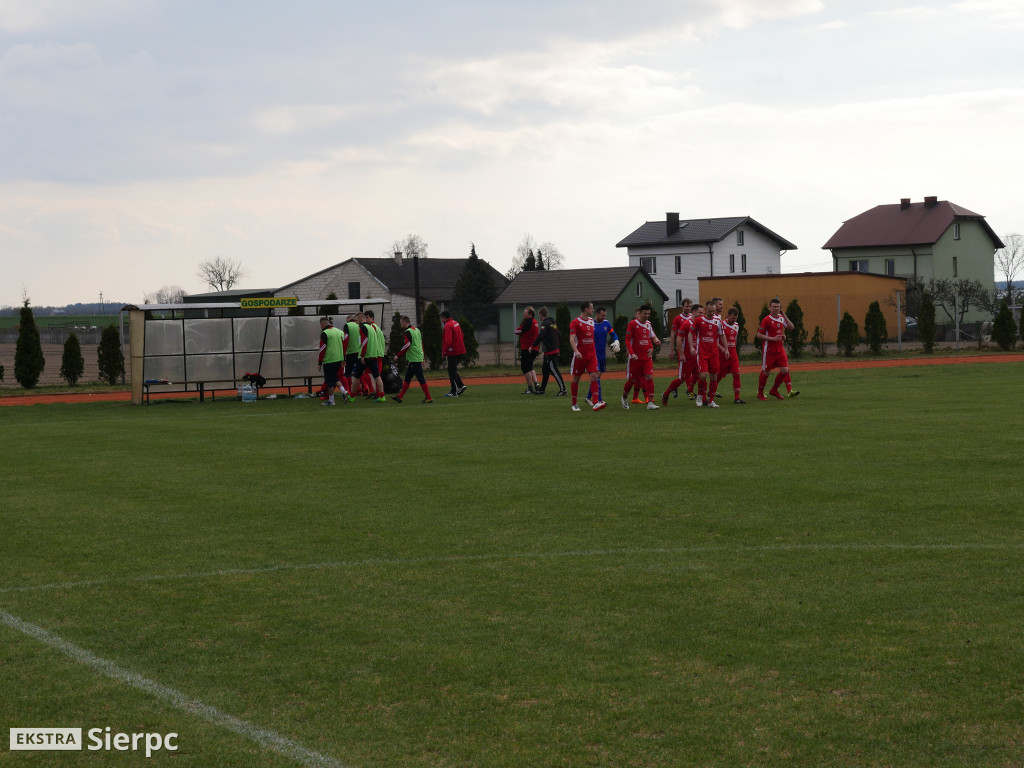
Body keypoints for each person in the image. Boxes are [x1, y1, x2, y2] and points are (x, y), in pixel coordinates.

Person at [756, 298, 800, 400]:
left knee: (785, 370)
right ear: (770, 307)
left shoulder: (781, 317)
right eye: (774, 307)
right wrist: (772, 338)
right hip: (769, 351)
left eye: (778, 307)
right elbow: (759, 335)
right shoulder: (766, 320)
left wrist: (784, 315)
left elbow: (791, 327)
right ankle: (760, 393)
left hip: (780, 349)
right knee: (766, 372)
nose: (776, 308)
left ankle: (774, 390)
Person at [621, 304, 661, 410]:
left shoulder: (648, 324)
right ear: (640, 313)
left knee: (649, 377)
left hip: (646, 357)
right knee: (633, 380)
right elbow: (627, 340)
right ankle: (624, 397)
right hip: (635, 358)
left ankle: (650, 402)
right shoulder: (633, 324)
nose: (647, 316)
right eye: (645, 314)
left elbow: (652, 336)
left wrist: (655, 341)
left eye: (649, 314)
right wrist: (632, 353)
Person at [568, 301, 606, 411]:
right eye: (591, 308)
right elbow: (571, 339)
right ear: (586, 309)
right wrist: (576, 352)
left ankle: (595, 403)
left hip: (592, 355)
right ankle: (574, 404)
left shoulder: (591, 321)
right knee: (576, 379)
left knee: (594, 376)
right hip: (580, 356)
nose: (593, 310)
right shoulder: (575, 323)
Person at [691, 299, 728, 408]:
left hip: (714, 353)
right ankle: (700, 396)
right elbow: (690, 333)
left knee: (714, 377)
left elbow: (722, 335)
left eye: (713, 311)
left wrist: (725, 349)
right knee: (703, 375)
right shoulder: (699, 320)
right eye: (710, 311)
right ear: (706, 309)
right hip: (702, 352)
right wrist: (692, 348)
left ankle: (711, 400)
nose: (712, 313)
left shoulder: (718, 321)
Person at [661, 299, 697, 405]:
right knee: (683, 377)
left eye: (690, 306)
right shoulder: (678, 319)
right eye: (686, 306)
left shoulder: (695, 319)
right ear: (682, 306)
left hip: (694, 352)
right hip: (684, 351)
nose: (688, 308)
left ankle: (690, 391)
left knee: (699, 373)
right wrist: (672, 350)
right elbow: (674, 335)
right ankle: (667, 393)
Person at [390, 315, 432, 404]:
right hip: (417, 357)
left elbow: (407, 344)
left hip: (414, 358)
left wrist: (398, 355)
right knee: (408, 378)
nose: (401, 325)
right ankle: (400, 397)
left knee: (420, 379)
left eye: (401, 323)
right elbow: (421, 344)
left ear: (404, 323)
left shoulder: (408, 331)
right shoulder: (417, 330)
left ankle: (429, 398)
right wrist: (423, 357)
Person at [533, 307, 566, 396]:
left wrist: (533, 345)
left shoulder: (545, 324)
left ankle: (563, 390)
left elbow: (541, 335)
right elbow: (559, 334)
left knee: (554, 370)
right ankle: (542, 390)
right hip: (552, 350)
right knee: (545, 371)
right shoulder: (552, 323)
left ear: (540, 314)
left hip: (550, 351)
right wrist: (559, 346)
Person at [316, 316, 348, 406]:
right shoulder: (339, 332)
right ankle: (343, 391)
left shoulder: (325, 333)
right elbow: (344, 346)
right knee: (334, 377)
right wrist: (344, 358)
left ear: (322, 324)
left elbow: (322, 349)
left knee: (329, 380)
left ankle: (331, 401)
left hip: (329, 360)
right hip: (338, 359)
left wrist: (319, 362)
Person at [591, 306, 619, 404]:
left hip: (602, 355)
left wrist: (616, 340)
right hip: (594, 355)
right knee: (597, 377)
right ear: (597, 314)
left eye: (605, 315)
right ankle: (599, 399)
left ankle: (588, 397)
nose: (604, 317)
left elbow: (613, 334)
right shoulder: (591, 324)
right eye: (602, 315)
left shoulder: (606, 324)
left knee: (597, 377)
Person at [360, 310, 387, 402]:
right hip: (378, 353)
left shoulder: (371, 327)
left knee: (368, 374)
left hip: (374, 354)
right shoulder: (376, 327)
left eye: (367, 317)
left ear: (372, 318)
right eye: (365, 318)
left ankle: (375, 392)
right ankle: (377, 394)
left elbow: (369, 340)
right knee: (376, 375)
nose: (366, 319)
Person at [719, 306, 745, 404]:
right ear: (727, 315)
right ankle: (711, 392)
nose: (734, 320)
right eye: (732, 318)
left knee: (736, 374)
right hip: (722, 355)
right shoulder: (721, 324)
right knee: (719, 375)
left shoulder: (736, 326)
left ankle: (737, 398)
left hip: (733, 354)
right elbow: (716, 340)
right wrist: (722, 349)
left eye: (735, 319)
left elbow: (735, 339)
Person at [441, 311, 467, 397]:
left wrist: (444, 351)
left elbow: (448, 341)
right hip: (460, 350)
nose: (441, 320)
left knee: (451, 371)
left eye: (442, 318)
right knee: (454, 369)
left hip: (453, 351)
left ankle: (454, 391)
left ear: (445, 317)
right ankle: (461, 385)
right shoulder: (456, 323)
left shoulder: (447, 326)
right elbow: (462, 335)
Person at [515, 306, 540, 394]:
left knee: (525, 368)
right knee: (530, 367)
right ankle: (536, 384)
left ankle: (530, 388)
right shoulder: (535, 322)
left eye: (525, 313)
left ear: (530, 314)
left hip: (527, 348)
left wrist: (516, 330)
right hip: (534, 348)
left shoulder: (528, 322)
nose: (523, 314)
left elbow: (519, 331)